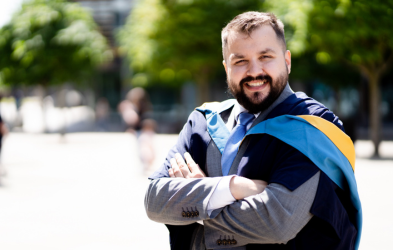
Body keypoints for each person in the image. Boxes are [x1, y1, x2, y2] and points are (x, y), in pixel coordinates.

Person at [145, 12, 361, 250]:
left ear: (287, 61)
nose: (254, 71)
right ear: (227, 68)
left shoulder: (313, 126)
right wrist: (232, 187)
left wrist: (198, 210)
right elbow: (155, 201)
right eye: (240, 61)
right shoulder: (203, 123)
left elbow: (276, 221)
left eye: (265, 56)